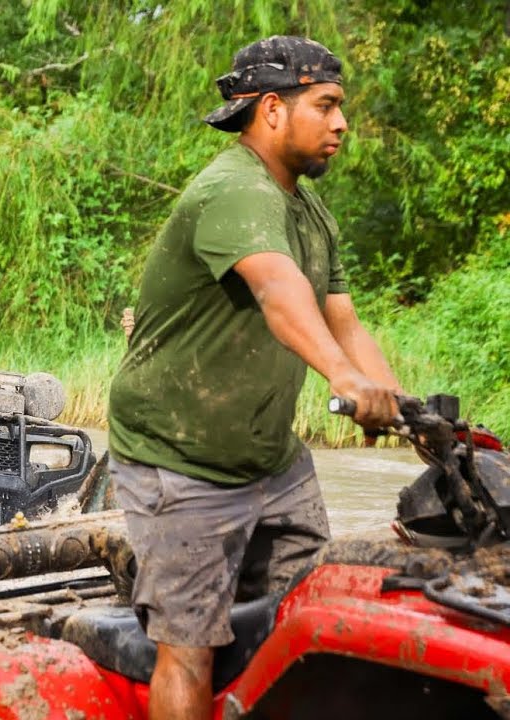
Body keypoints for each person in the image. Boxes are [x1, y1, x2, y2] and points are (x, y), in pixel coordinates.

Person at [106, 36, 403, 720]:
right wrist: (342, 381)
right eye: (325, 106)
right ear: (272, 109)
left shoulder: (306, 207)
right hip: (178, 460)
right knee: (190, 645)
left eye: (341, 108)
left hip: (271, 461)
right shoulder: (233, 192)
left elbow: (345, 323)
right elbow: (279, 292)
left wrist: (408, 412)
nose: (342, 124)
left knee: (317, 614)